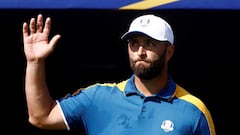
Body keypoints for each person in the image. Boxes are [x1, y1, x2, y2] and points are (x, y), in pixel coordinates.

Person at [22, 13, 216, 135]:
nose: (140, 51)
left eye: (150, 43)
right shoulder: (98, 96)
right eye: (134, 43)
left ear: (170, 51)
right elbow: (40, 117)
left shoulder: (194, 111)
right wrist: (34, 62)